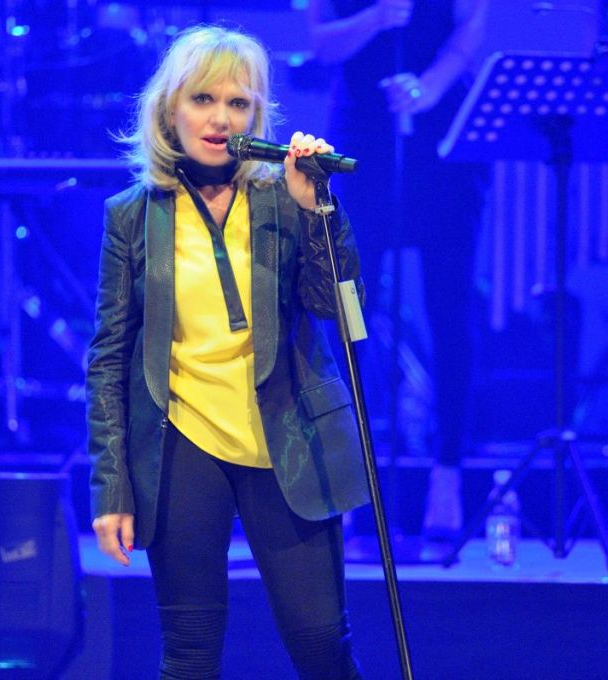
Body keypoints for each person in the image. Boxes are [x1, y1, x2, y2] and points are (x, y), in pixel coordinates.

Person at [86, 25, 368, 679]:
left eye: (238, 103)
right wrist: (111, 488)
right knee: (189, 654)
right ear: (170, 110)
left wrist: (317, 209)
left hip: (286, 438)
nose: (220, 118)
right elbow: (108, 358)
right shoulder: (132, 215)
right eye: (203, 99)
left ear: (256, 115)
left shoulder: (285, 200)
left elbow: (339, 309)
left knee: (321, 645)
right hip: (182, 443)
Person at [309, 0, 490, 544]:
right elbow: (322, 42)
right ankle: (348, 475)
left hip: (441, 140)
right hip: (362, 138)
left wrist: (430, 86)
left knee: (450, 307)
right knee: (347, 311)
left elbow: (468, 28)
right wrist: (376, 18)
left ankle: (447, 473)